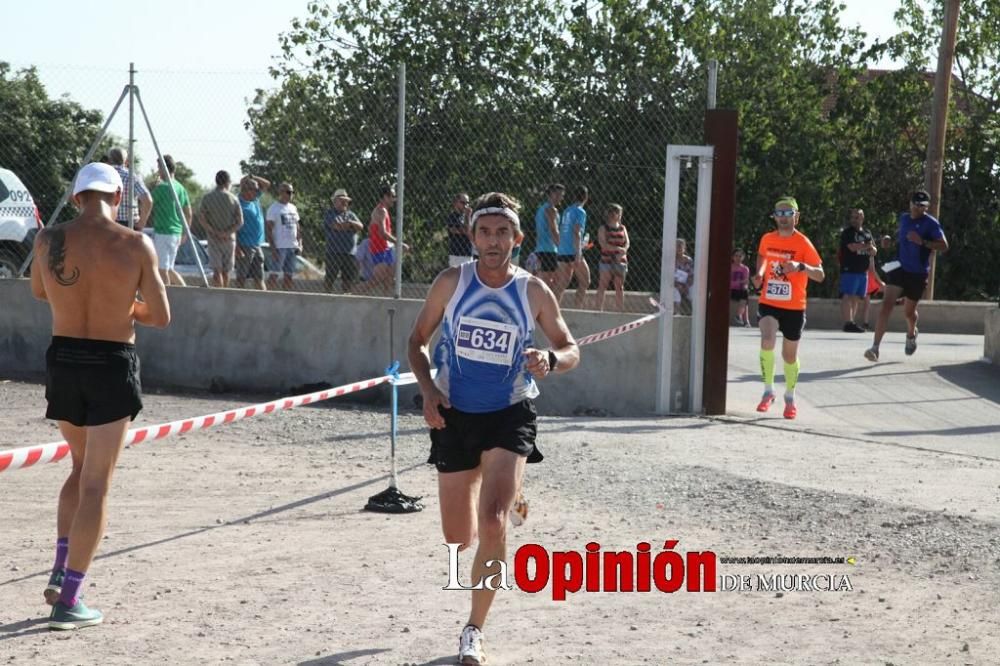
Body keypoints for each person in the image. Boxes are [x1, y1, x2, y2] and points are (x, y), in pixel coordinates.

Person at [407, 192, 579, 665]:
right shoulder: (451, 283)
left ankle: (473, 631)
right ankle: (510, 494)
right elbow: (417, 342)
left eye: (503, 232)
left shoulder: (533, 292)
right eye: (485, 231)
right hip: (455, 414)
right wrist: (427, 389)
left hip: (510, 413)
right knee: (458, 537)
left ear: (517, 239)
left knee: (492, 523)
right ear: (472, 235)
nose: (493, 240)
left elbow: (570, 348)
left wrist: (549, 358)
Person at [29, 162, 170, 630]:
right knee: (97, 483)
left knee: (77, 467)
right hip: (111, 362)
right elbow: (161, 316)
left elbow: (38, 291)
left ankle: (60, 567)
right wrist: (122, 302)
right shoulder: (134, 244)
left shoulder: (49, 239)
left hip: (63, 358)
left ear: (76, 198)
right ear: (117, 197)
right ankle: (69, 600)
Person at [751, 197, 824, 420]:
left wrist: (800, 266)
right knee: (767, 339)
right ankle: (768, 391)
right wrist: (760, 274)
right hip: (769, 301)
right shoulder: (767, 238)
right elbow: (763, 256)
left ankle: (790, 397)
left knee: (788, 356)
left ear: (796, 217)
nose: (783, 218)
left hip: (794, 306)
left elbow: (820, 275)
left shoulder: (803, 243)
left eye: (788, 213)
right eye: (779, 214)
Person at [864, 189, 948, 361]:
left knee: (909, 313)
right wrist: (888, 240)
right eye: (917, 205)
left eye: (923, 206)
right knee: (886, 306)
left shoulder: (931, 223)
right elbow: (900, 237)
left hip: (917, 274)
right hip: (899, 269)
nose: (919, 209)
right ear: (910, 204)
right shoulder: (904, 219)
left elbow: (944, 245)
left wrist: (923, 242)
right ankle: (875, 348)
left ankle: (911, 334)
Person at [149, 155, 192, 287]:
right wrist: (185, 232)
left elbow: (147, 201)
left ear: (164, 168)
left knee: (162, 270)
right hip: (176, 232)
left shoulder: (162, 187)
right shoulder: (180, 187)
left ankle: (167, 298)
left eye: (159, 168)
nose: (158, 171)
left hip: (163, 232)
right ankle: (186, 292)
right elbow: (188, 212)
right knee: (169, 268)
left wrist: (153, 187)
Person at [198, 171, 243, 288]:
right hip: (229, 239)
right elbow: (240, 221)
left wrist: (214, 231)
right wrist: (227, 233)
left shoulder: (207, 198)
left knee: (217, 271)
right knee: (226, 271)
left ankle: (218, 293)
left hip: (213, 239)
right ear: (228, 182)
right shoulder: (234, 199)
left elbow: (201, 218)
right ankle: (225, 295)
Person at [838, 208, 877, 332]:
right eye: (853, 217)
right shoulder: (848, 233)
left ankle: (852, 322)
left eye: (857, 217)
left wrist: (871, 249)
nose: (854, 220)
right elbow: (852, 247)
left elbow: (874, 250)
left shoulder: (866, 232)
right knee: (847, 295)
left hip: (862, 270)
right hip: (850, 269)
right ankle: (847, 322)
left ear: (862, 218)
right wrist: (867, 246)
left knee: (856, 297)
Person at [367, 185, 408, 295]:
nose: (394, 199)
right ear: (385, 196)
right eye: (392, 196)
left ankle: (386, 303)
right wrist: (400, 243)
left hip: (385, 248)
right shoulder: (381, 210)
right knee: (376, 281)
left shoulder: (383, 210)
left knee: (389, 278)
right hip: (380, 249)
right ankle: (352, 295)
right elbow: (383, 233)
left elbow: (370, 230)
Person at [555, 185, 590, 308]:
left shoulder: (567, 210)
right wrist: (579, 252)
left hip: (562, 250)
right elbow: (576, 231)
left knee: (562, 283)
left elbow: (565, 230)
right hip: (573, 251)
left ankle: (554, 309)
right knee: (585, 281)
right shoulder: (581, 212)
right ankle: (577, 309)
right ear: (586, 197)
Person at [323, 189, 364, 293]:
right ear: (335, 201)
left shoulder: (351, 215)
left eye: (346, 201)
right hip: (334, 252)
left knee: (348, 280)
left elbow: (360, 226)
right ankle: (327, 297)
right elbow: (337, 226)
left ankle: (346, 297)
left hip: (349, 253)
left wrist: (349, 222)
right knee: (330, 278)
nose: (345, 203)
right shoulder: (330, 213)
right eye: (342, 200)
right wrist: (351, 227)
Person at [235, 174, 271, 290]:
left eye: (257, 189)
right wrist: (237, 246)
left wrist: (253, 176)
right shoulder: (238, 203)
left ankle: (265, 301)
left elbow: (267, 184)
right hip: (245, 245)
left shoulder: (255, 199)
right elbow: (234, 226)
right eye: (255, 189)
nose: (258, 191)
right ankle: (237, 300)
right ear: (246, 190)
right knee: (242, 277)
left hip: (257, 244)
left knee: (259, 277)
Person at [266, 182, 302, 291]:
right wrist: (273, 249)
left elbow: (298, 227)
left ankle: (286, 299)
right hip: (280, 247)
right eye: (288, 192)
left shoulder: (293, 208)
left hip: (292, 247)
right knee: (274, 274)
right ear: (280, 192)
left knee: (289, 276)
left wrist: (300, 244)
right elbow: (268, 229)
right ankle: (269, 298)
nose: (291, 194)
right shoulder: (274, 208)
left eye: (292, 192)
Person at [595, 203, 629, 312]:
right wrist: (618, 249)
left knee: (619, 286)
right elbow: (603, 244)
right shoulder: (603, 228)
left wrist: (623, 251)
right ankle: (598, 310)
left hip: (621, 260)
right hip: (607, 260)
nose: (619, 215)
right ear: (611, 214)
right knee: (603, 285)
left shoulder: (623, 228)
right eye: (617, 212)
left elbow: (627, 243)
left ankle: (619, 310)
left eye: (620, 213)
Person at [107, 147, 151, 230]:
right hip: (130, 224)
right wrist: (141, 222)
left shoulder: (103, 175)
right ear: (125, 161)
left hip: (109, 223)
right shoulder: (132, 176)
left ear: (109, 159)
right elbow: (148, 200)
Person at [533, 183, 564, 291]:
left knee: (546, 280)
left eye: (562, 195)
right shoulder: (551, 210)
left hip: (541, 249)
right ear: (551, 194)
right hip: (549, 249)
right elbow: (553, 230)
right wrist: (562, 247)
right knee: (553, 280)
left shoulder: (541, 209)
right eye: (559, 194)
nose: (561, 197)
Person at [446, 192, 474, 267]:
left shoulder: (467, 217)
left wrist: (468, 217)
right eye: (463, 202)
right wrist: (468, 217)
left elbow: (470, 234)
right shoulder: (452, 217)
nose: (466, 205)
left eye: (467, 203)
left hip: (468, 253)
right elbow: (466, 231)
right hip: (456, 255)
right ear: (455, 203)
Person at [730, 249, 751, 327]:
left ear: (743, 257)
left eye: (740, 256)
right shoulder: (729, 267)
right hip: (729, 290)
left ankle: (738, 315)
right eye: (736, 256)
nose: (738, 258)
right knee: (745, 300)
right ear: (733, 257)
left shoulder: (745, 269)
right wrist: (740, 282)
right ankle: (746, 321)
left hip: (739, 290)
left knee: (745, 293)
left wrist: (744, 286)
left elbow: (745, 281)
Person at [862, 264, 885, 331]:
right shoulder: (870, 257)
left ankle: (865, 323)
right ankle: (865, 323)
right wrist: (880, 282)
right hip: (868, 282)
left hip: (868, 281)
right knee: (867, 304)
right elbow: (873, 270)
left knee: (867, 304)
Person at [674, 238, 694, 315]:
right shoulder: (671, 259)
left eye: (680, 246)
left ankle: (695, 315)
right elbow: (670, 276)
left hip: (687, 284)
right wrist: (678, 286)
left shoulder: (689, 260)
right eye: (677, 246)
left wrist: (686, 286)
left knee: (693, 293)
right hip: (675, 284)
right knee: (675, 292)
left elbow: (692, 276)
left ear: (684, 248)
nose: (679, 248)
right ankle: (677, 314)